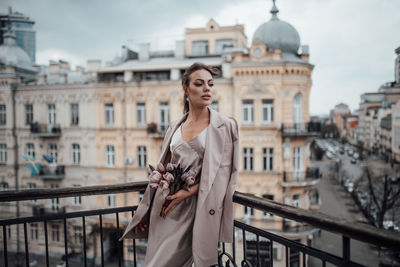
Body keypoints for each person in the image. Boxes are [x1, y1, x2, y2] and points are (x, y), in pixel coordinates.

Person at [119, 62, 240, 267]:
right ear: (186, 89)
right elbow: (166, 165)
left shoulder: (225, 126)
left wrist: (188, 192)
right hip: (164, 206)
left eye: (210, 84)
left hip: (195, 209)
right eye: (199, 84)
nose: (207, 89)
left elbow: (223, 173)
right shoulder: (176, 125)